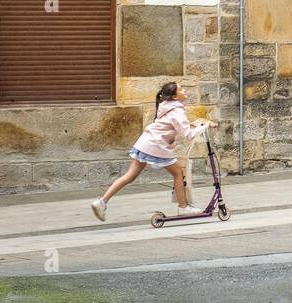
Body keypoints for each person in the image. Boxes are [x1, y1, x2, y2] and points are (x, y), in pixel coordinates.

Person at [91, 82, 217, 221]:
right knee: (178, 173)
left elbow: (171, 123)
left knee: (129, 176)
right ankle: (183, 207)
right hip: (156, 146)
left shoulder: (167, 106)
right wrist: (206, 125)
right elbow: (189, 135)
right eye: (181, 89)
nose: (185, 90)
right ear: (175, 96)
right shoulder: (177, 110)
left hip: (145, 143)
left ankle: (101, 202)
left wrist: (190, 123)